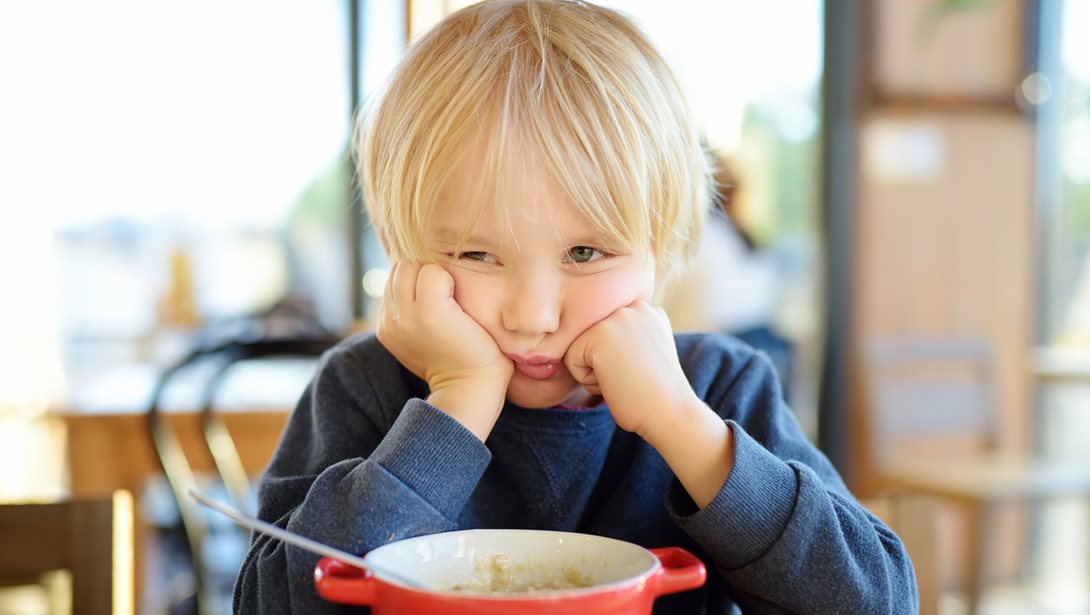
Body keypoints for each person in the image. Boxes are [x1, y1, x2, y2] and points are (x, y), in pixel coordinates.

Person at [234, 1, 918, 613]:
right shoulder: (362, 388)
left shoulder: (717, 389)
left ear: (658, 246)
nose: (532, 316)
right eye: (476, 253)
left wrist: (682, 425)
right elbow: (269, 603)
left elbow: (879, 600)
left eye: (586, 253)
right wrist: (458, 404)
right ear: (402, 250)